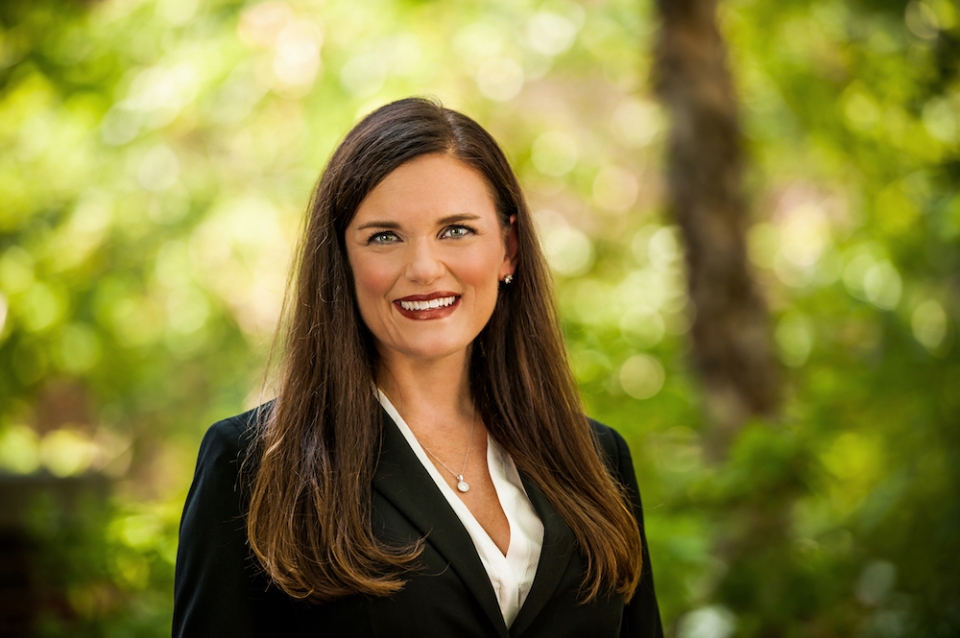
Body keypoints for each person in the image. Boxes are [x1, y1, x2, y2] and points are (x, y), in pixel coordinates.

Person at [173, 97, 663, 638]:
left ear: (509, 248)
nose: (425, 268)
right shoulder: (253, 464)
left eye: (456, 230)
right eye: (385, 237)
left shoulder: (596, 458)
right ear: (342, 259)